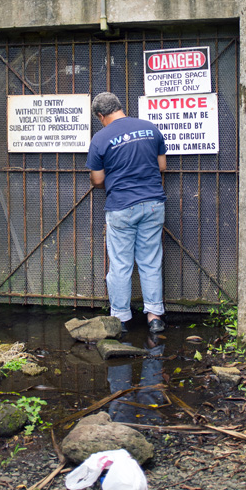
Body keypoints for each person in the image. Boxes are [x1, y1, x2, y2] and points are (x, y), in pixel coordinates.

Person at [86, 92, 167, 334]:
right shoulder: (150, 129)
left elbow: (97, 179)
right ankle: (155, 318)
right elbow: (161, 166)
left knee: (121, 265)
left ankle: (120, 319)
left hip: (121, 206)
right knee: (150, 261)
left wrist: (111, 181)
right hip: (153, 204)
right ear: (120, 107)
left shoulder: (100, 138)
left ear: (101, 115)